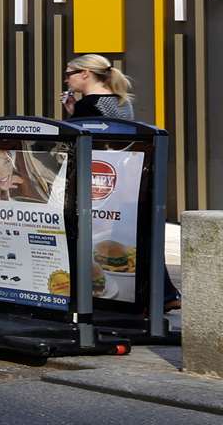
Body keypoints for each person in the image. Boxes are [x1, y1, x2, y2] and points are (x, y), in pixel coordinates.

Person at [62, 53, 180, 310]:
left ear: (85, 74)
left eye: (70, 73)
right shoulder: (120, 101)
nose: (66, 78)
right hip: (130, 180)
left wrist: (71, 116)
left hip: (100, 184)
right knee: (140, 239)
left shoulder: (87, 106)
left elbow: (78, 144)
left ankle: (99, 295)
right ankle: (164, 295)